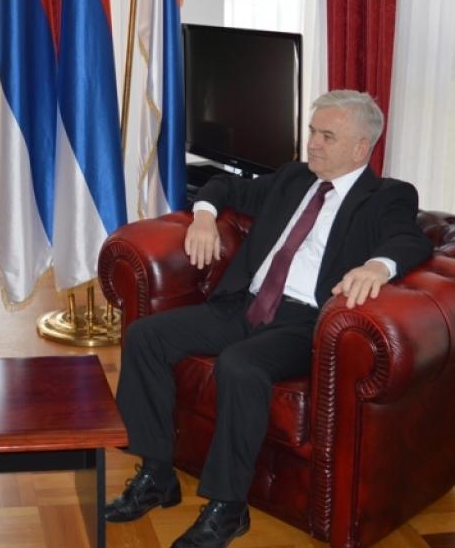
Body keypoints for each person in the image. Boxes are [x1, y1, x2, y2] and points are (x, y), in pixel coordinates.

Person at [106, 90, 433, 548]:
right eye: (312, 131)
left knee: (240, 365)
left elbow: (410, 239)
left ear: (361, 147)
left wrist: (378, 266)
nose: (312, 143)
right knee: (145, 336)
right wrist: (204, 217)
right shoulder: (295, 177)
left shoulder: (387, 196)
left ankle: (228, 508)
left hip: (305, 322)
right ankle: (157, 474)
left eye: (327, 136)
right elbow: (224, 187)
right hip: (244, 305)